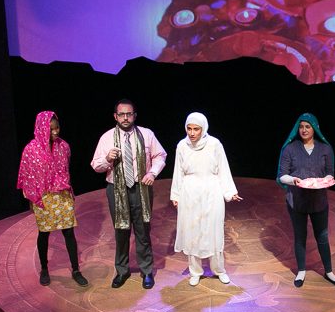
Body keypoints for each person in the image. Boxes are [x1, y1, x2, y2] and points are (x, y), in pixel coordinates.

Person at [91, 99, 167, 289]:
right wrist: (107, 158)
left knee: (143, 230)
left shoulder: (147, 134)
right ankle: (122, 271)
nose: (125, 118)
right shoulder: (107, 137)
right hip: (116, 190)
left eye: (129, 114)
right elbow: (96, 166)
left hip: (141, 188)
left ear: (134, 115)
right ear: (115, 116)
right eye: (121, 114)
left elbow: (160, 155)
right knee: (121, 231)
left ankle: (146, 270)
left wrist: (152, 173)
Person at [17, 110, 88, 287]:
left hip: (62, 194)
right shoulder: (31, 149)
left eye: (57, 128)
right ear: (42, 129)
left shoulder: (64, 146)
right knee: (44, 233)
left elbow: (66, 169)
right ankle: (44, 268)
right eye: (51, 129)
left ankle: (76, 270)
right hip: (44, 196)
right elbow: (26, 175)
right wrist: (32, 199)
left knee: (69, 232)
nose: (56, 132)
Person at [170, 112, 241, 286]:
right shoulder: (182, 146)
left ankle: (219, 270)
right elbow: (178, 172)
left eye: (196, 129)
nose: (192, 133)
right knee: (192, 231)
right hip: (189, 192)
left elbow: (223, 168)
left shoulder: (214, 144)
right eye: (189, 128)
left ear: (203, 129)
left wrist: (229, 191)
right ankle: (195, 271)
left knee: (213, 230)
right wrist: (176, 194)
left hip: (211, 190)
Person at [277, 113, 335, 287]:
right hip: (297, 201)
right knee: (300, 237)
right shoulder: (290, 149)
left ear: (315, 128)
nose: (304, 130)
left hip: (319, 201)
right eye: (301, 127)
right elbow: (282, 175)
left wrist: (325, 180)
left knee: (322, 237)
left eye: (308, 126)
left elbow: (330, 173)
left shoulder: (325, 149)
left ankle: (329, 272)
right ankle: (301, 271)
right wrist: (294, 180)